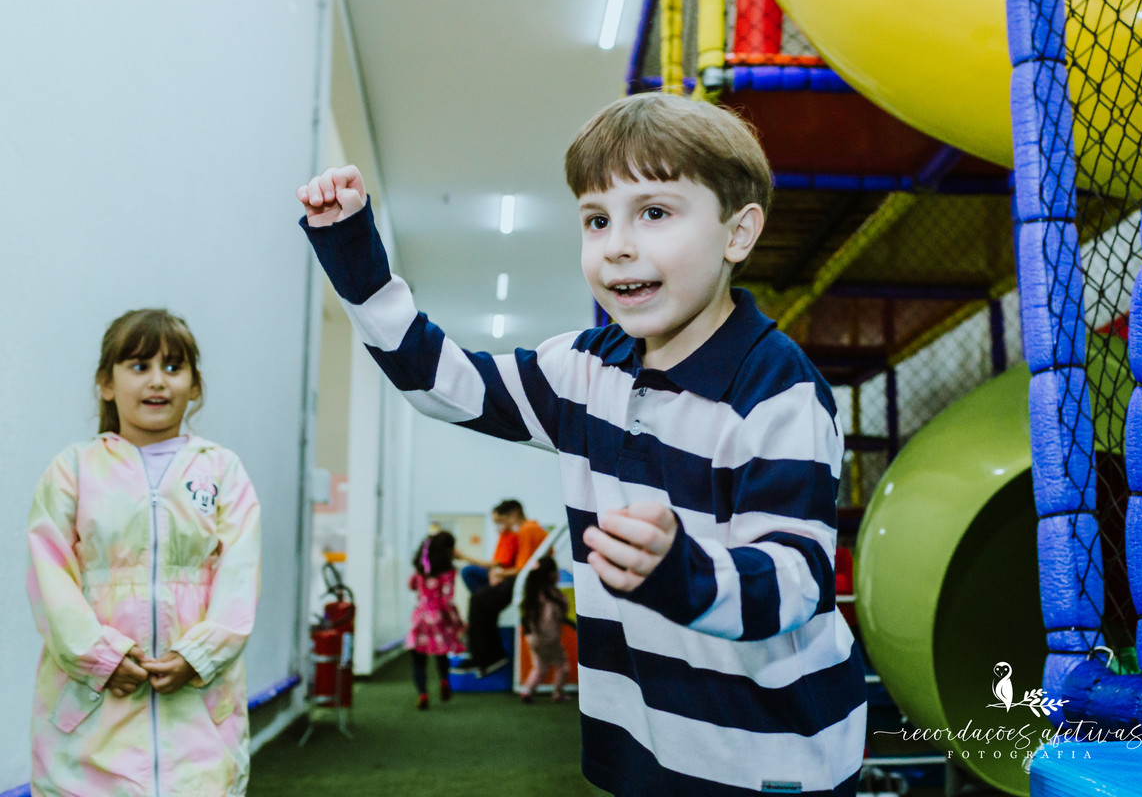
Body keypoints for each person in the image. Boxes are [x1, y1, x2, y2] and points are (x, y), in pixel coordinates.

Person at [297, 92, 865, 795]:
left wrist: (680, 571)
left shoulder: (776, 389)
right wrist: (355, 253)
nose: (618, 244)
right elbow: (438, 383)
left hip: (767, 754)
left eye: (654, 213)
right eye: (597, 220)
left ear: (738, 233)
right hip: (638, 737)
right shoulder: (584, 369)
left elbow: (798, 580)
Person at [26, 309, 261, 796]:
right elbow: (50, 576)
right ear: (106, 384)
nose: (158, 382)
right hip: (92, 711)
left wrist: (199, 655)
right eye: (139, 366)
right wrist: (98, 657)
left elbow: (240, 574)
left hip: (198, 711)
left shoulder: (221, 471)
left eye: (174, 368)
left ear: (195, 386)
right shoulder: (73, 469)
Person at [459, 499, 548, 676]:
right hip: (519, 579)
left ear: (513, 515)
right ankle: (486, 657)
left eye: (501, 521)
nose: (500, 526)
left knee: (478, 601)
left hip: (523, 582)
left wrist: (500, 574)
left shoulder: (527, 530)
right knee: (480, 599)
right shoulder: (527, 530)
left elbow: (525, 568)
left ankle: (489, 657)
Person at [405, 527, 466, 709]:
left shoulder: (421, 570)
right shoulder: (448, 572)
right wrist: (458, 622)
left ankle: (423, 694)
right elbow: (447, 598)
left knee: (418, 658)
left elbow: (411, 585)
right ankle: (444, 681)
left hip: (420, 618)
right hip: (439, 618)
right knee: (441, 653)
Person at [518, 556, 571, 704]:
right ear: (551, 574)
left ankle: (527, 690)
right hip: (549, 637)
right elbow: (562, 613)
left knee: (539, 667)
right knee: (563, 665)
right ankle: (558, 693)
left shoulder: (531, 595)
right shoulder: (553, 596)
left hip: (532, 637)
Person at [454, 503, 521, 594]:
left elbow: (496, 564)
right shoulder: (503, 537)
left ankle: (483, 596)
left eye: (500, 521)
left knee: (467, 571)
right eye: (495, 522)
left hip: (502, 574)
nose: (498, 525)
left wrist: (464, 557)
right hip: (495, 572)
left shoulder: (512, 537)